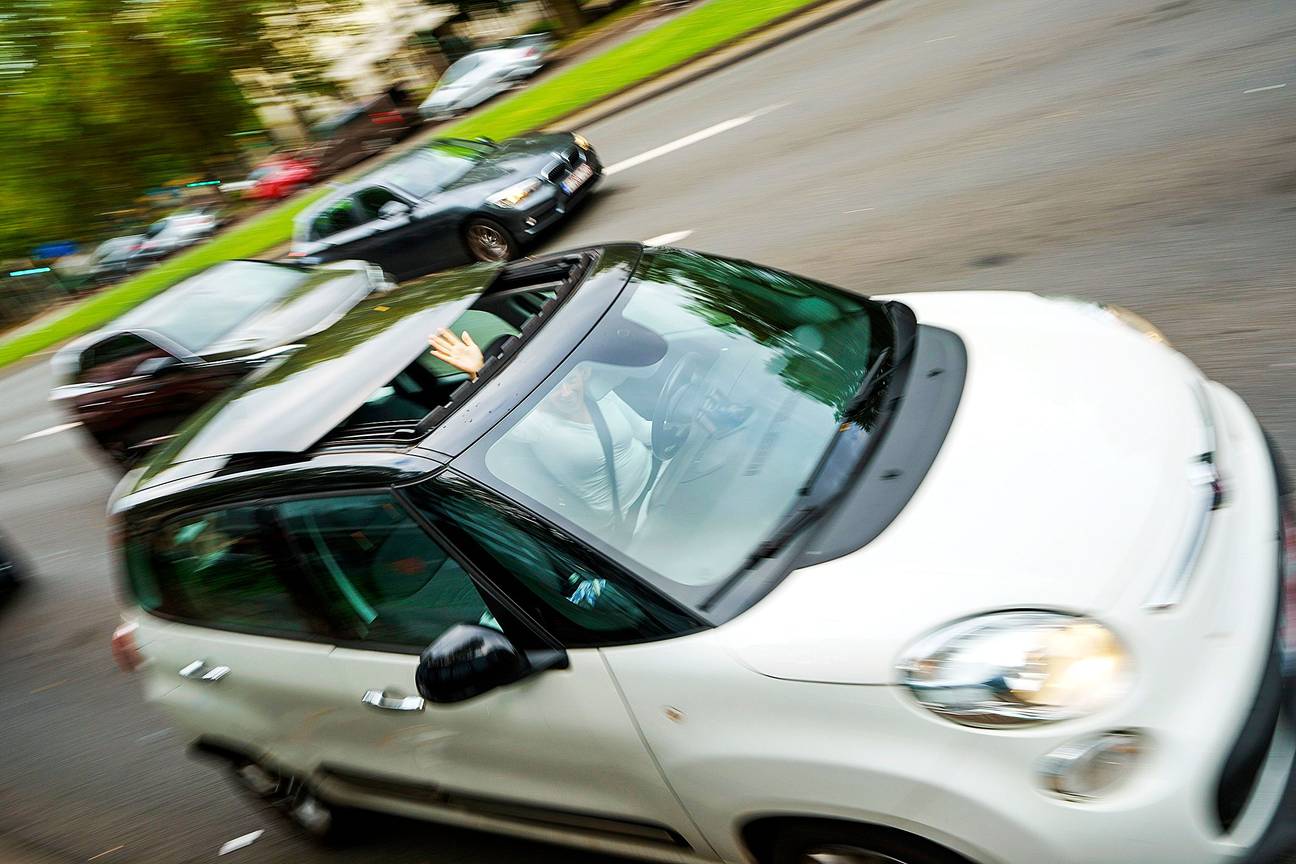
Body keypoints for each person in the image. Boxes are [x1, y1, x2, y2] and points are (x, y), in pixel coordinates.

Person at [429, 329, 655, 532]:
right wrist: (478, 371)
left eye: (570, 379)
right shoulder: (535, 425)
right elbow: (495, 411)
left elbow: (645, 431)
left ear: (582, 374)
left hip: (658, 475)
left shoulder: (599, 394)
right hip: (632, 515)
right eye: (553, 388)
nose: (565, 392)